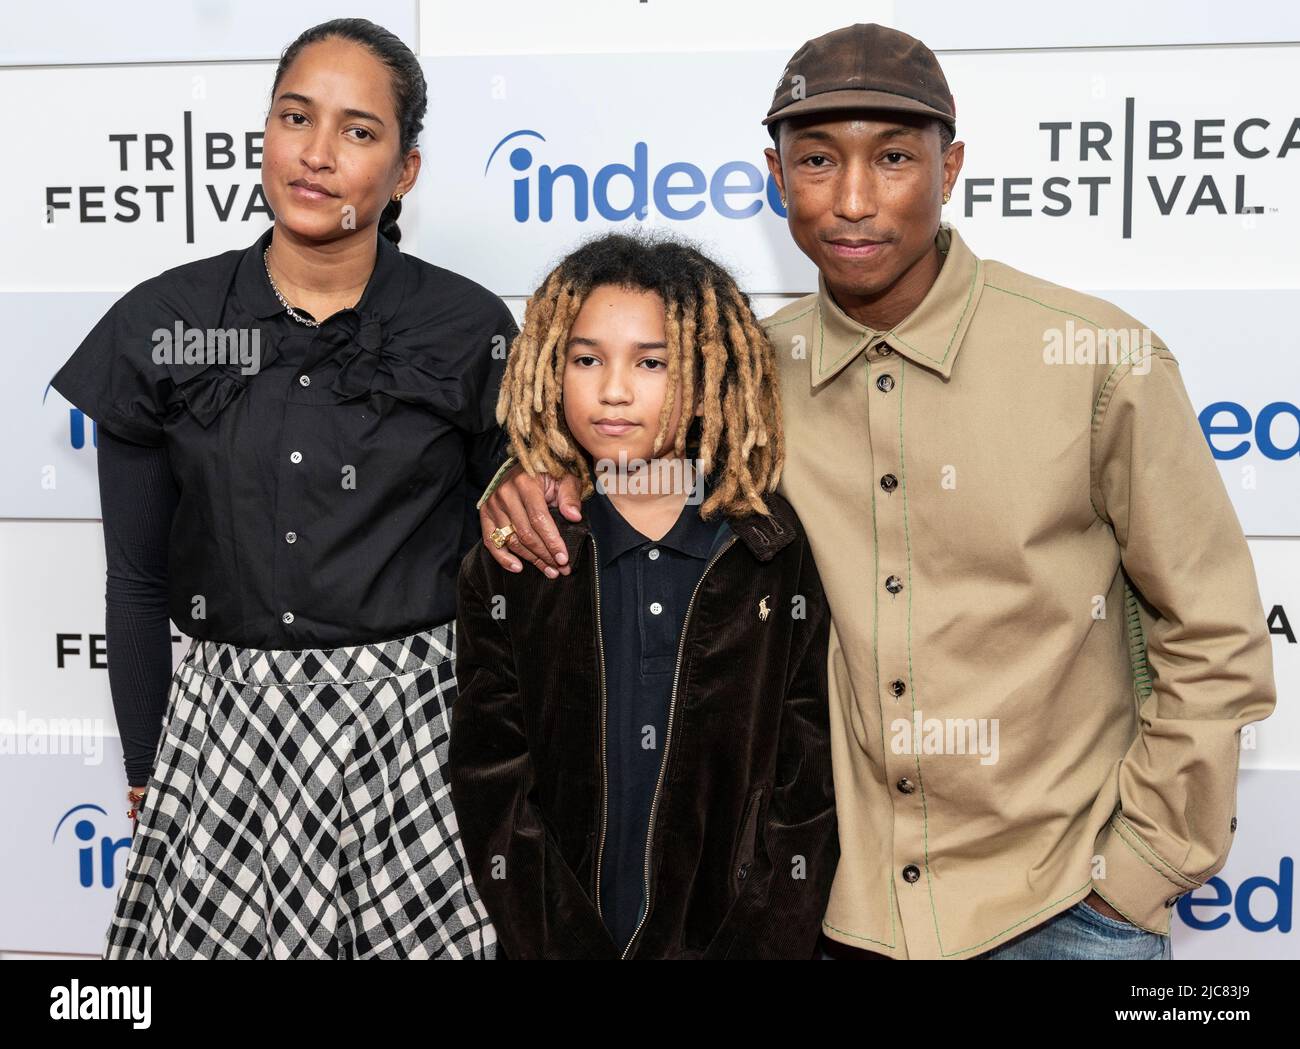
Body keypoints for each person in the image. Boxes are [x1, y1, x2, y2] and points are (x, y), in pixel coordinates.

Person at [473, 24, 1277, 960]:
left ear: (953, 166)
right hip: (835, 922)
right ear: (775, 179)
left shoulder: (1097, 362)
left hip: (1061, 911)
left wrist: (1138, 872)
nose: (853, 200)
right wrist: (520, 480)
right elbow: (614, 444)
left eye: (894, 157)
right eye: (817, 160)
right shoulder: (744, 376)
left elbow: (1215, 637)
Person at [48, 18, 509, 959]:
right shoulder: (164, 322)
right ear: (263, 132)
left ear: (406, 170)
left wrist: (502, 758)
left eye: (359, 130)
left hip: (415, 742)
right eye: (295, 117)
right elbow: (135, 583)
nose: (317, 153)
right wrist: (145, 767)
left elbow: (504, 570)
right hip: (222, 745)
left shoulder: (466, 326)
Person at [447, 232, 839, 959]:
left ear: (708, 373)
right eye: (586, 358)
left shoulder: (771, 554)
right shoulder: (519, 559)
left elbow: (806, 789)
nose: (614, 389)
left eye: (651, 362)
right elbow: (491, 778)